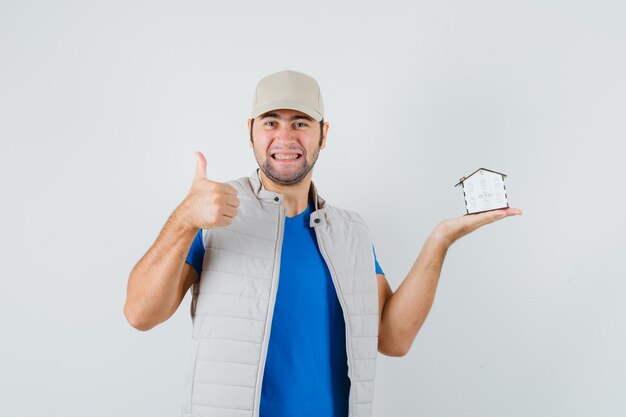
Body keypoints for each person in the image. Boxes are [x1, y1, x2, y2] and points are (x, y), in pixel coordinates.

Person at [124, 69, 522, 417]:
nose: (285, 137)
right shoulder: (212, 211)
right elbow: (140, 314)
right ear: (250, 131)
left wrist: (440, 239)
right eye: (270, 122)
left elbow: (393, 338)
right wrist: (183, 220)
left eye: (300, 123)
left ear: (323, 134)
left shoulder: (350, 232)